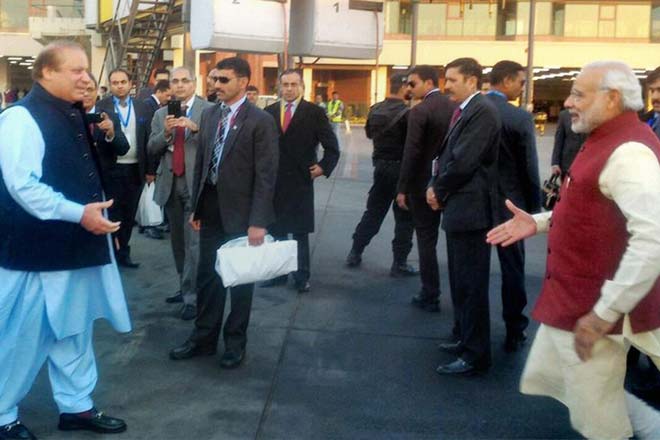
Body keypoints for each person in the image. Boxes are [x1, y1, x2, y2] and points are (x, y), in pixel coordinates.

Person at [487, 61, 660, 440]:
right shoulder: (605, 139)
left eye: (579, 94)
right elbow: (592, 204)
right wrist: (541, 221)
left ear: (612, 98)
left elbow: (653, 238)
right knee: (589, 394)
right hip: (590, 301)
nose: (567, 102)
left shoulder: (628, 152)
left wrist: (603, 313)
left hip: (601, 305)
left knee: (597, 414)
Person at [0, 40, 131, 440]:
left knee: (74, 330)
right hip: (36, 252)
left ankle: (76, 406)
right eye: (75, 70)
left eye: (86, 69)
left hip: (75, 245)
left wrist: (98, 224)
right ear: (46, 73)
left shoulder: (71, 114)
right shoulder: (21, 119)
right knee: (23, 335)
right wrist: (80, 214)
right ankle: (2, 414)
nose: (86, 77)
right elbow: (22, 185)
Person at [169, 57, 278, 369]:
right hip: (211, 208)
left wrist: (258, 222)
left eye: (224, 80)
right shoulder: (210, 114)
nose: (216, 85)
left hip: (244, 215)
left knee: (240, 280)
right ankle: (203, 338)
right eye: (215, 79)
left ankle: (234, 343)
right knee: (208, 276)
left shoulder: (259, 121)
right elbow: (203, 163)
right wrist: (197, 206)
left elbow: (266, 175)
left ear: (243, 82)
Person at [427, 57, 501, 375]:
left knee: (471, 284)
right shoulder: (466, 110)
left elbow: (463, 161)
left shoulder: (482, 112)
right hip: (460, 209)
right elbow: (447, 156)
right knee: (460, 281)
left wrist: (438, 190)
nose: (447, 85)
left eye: (453, 80)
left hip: (471, 212)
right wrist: (436, 184)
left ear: (472, 81)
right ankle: (464, 337)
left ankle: (475, 355)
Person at [262, 69, 339, 293]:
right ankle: (278, 273)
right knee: (275, 229)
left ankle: (301, 276)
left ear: (302, 87)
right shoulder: (268, 112)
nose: (288, 89)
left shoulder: (314, 112)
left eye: (293, 84)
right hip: (274, 181)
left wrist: (323, 167)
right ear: (279, 86)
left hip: (300, 180)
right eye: (285, 84)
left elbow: (332, 147)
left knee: (299, 231)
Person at [148, 67, 213, 321]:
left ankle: (192, 296)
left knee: (194, 243)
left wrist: (196, 128)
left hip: (195, 185)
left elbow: (218, 143)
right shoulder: (160, 113)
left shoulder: (208, 110)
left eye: (185, 81)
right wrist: (165, 132)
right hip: (170, 184)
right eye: (175, 81)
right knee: (177, 242)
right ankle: (184, 285)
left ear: (194, 84)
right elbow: (151, 147)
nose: (179, 85)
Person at [485, 60, 541, 352]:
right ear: (506, 80)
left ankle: (467, 329)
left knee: (471, 269)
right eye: (521, 81)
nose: (522, 87)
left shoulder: (469, 111)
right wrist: (536, 209)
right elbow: (529, 167)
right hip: (509, 204)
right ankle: (514, 330)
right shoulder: (518, 118)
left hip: (474, 202)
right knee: (512, 270)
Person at [346, 73, 417, 277]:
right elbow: (413, 144)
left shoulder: (375, 109)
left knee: (373, 212)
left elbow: (369, 134)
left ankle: (355, 251)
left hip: (381, 168)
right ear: (404, 87)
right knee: (404, 218)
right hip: (401, 169)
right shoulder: (408, 114)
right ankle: (399, 263)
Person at [397, 65, 455, 313]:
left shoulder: (420, 111)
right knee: (455, 243)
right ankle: (461, 298)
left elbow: (411, 152)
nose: (409, 89)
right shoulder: (456, 108)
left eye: (413, 84)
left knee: (426, 240)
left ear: (429, 83)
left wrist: (402, 188)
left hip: (422, 184)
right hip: (453, 183)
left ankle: (430, 293)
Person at [97, 68, 156, 267]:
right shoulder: (101, 106)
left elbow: (148, 138)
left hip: (135, 168)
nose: (119, 86)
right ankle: (114, 253)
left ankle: (124, 250)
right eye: (115, 82)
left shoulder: (143, 107)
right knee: (114, 213)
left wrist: (150, 169)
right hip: (112, 168)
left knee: (130, 214)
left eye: (123, 82)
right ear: (110, 85)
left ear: (130, 84)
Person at [81, 71, 130, 191]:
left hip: (106, 182)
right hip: (78, 180)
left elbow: (123, 149)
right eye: (82, 90)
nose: (86, 94)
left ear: (96, 91)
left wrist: (111, 134)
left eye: (90, 89)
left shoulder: (110, 116)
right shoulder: (67, 116)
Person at [551, 109, 586, 178]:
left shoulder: (594, 113)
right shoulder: (564, 115)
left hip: (587, 163)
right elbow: (558, 140)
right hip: (567, 163)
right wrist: (555, 163)